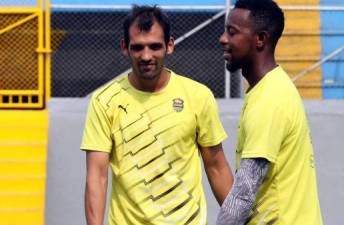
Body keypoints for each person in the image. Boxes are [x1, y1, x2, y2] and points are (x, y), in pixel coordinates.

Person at [81, 5, 233, 225]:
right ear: (125, 47)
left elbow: (217, 167)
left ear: (169, 46)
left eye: (154, 46)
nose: (146, 56)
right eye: (137, 47)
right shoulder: (104, 101)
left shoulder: (198, 96)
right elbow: (97, 177)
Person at [216, 0, 324, 224]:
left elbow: (242, 196)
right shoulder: (270, 88)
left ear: (260, 39)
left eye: (232, 32)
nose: (223, 39)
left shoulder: (269, 100)